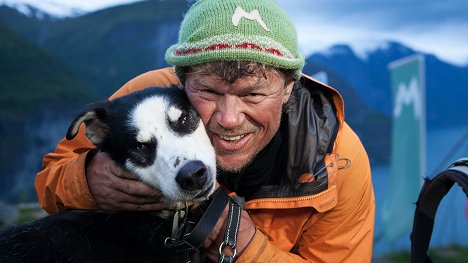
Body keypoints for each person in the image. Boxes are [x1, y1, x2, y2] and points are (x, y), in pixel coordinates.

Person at [35, 0, 375, 262]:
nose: (229, 118)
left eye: (253, 93)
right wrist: (87, 180)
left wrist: (248, 250)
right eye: (209, 92)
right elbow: (50, 182)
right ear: (180, 80)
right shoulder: (149, 98)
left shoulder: (338, 159)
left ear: (289, 87)